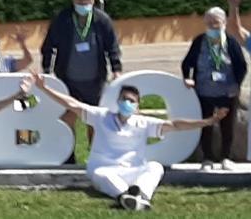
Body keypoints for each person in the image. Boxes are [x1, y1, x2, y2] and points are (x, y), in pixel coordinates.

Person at [32, 72, 224, 211]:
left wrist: (208, 121)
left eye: (132, 101)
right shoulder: (101, 116)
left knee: (155, 167)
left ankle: (140, 195)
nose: (127, 103)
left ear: (138, 106)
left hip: (134, 171)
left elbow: (175, 125)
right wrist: (45, 88)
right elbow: (71, 104)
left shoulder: (143, 122)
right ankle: (125, 196)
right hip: (105, 168)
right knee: (101, 175)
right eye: (124, 99)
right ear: (118, 101)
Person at [39, 0, 122, 159]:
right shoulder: (62, 19)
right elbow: (48, 46)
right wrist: (47, 69)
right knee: (68, 118)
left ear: (93, 0)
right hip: (67, 79)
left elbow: (112, 47)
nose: (83, 3)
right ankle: (68, 157)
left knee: (95, 120)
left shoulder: (102, 20)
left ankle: (96, 156)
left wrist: (116, 69)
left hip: (95, 80)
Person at [181, 6, 246, 170]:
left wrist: (236, 85)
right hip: (204, 92)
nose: (212, 26)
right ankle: (207, 158)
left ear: (223, 23)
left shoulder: (231, 42)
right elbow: (187, 63)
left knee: (227, 126)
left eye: (216, 23)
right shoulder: (199, 41)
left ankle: (226, 158)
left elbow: (241, 66)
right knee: (206, 124)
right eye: (209, 23)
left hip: (227, 92)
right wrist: (187, 78)